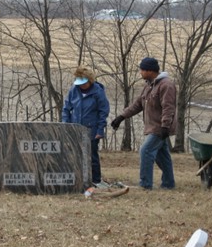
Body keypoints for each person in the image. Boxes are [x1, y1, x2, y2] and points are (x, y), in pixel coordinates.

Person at [110, 57, 177, 190]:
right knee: (162, 156)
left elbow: (168, 108)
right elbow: (137, 105)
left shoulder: (166, 85)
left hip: (160, 127)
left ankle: (145, 184)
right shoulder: (149, 86)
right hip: (154, 127)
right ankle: (168, 184)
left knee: (145, 150)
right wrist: (121, 117)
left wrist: (165, 126)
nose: (140, 72)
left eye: (142, 70)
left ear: (150, 70)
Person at [61, 66, 110, 188]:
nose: (81, 86)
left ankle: (96, 180)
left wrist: (100, 130)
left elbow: (103, 112)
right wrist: (66, 125)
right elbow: (66, 108)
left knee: (92, 155)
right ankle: (77, 179)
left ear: (90, 80)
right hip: (75, 128)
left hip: (91, 129)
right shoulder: (74, 90)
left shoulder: (98, 92)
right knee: (75, 154)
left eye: (84, 83)